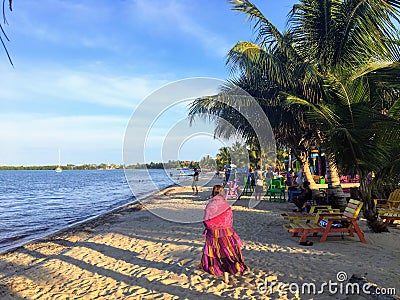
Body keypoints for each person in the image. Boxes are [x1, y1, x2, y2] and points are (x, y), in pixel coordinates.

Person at [200, 185, 248, 284]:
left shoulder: (210, 204)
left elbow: (206, 219)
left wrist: (210, 227)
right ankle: (227, 277)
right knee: (227, 254)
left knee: (216, 254)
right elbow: (229, 218)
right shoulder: (225, 204)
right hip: (226, 232)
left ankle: (223, 275)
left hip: (213, 233)